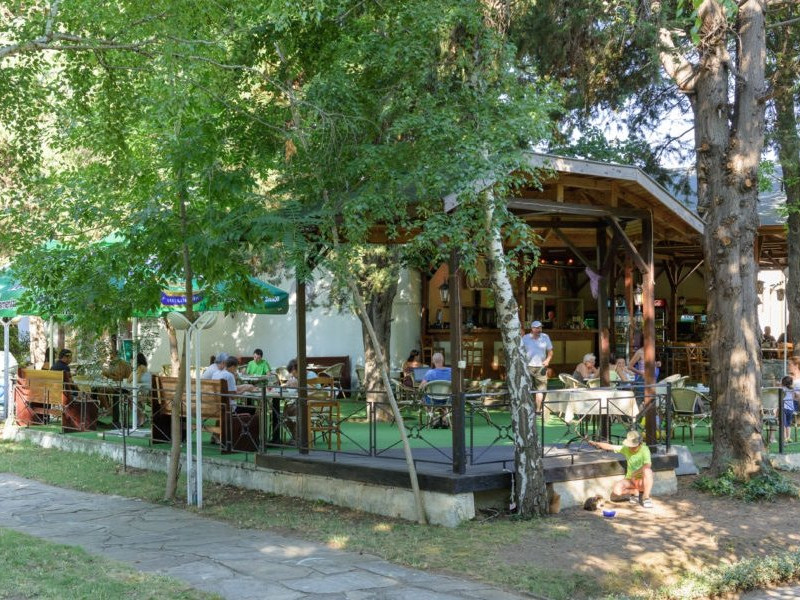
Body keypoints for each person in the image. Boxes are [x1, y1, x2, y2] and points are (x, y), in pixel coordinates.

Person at [588, 430, 654, 508]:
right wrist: (596, 443)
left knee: (648, 471)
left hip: (641, 481)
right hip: (630, 480)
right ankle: (634, 492)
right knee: (617, 490)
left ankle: (646, 497)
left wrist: (635, 473)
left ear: (639, 444)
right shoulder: (626, 449)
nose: (631, 448)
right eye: (630, 446)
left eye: (633, 446)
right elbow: (610, 446)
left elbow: (648, 465)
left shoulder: (644, 449)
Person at [521, 320, 553, 411]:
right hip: (528, 367)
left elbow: (550, 351)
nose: (539, 330)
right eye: (537, 328)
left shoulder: (545, 337)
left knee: (540, 390)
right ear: (532, 329)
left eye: (540, 328)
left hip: (541, 367)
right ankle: (528, 409)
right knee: (527, 388)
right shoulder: (525, 338)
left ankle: (538, 410)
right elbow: (520, 351)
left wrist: (547, 360)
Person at [420, 352, 451, 428]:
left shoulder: (430, 373)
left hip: (432, 400)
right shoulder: (451, 371)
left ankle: (434, 418)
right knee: (453, 397)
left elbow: (421, 387)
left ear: (433, 361)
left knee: (422, 399)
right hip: (448, 400)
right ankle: (444, 418)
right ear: (443, 360)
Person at [781, 375, 795, 442]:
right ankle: (788, 437)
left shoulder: (782, 389)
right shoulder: (792, 389)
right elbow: (793, 397)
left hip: (783, 407)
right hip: (791, 408)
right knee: (788, 423)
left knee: (783, 423)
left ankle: (784, 438)